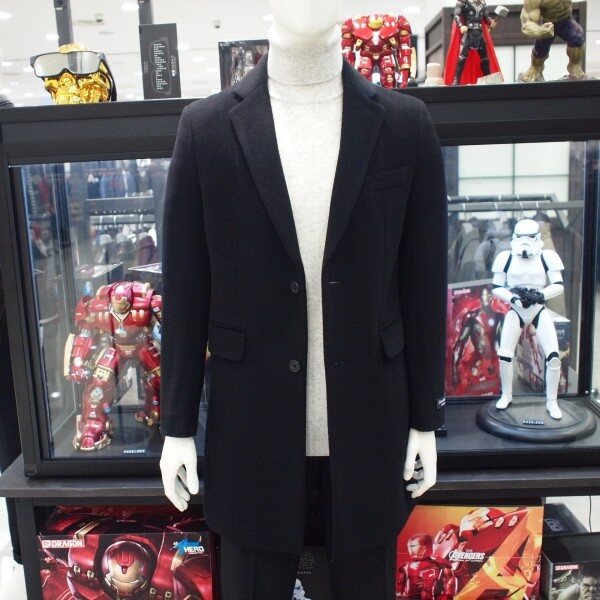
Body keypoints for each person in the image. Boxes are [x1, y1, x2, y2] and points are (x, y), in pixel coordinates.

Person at [159, 0, 447, 597]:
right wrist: (177, 427)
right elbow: (186, 292)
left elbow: (423, 285)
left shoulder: (404, 124)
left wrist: (426, 419)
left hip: (370, 429)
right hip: (252, 429)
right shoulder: (206, 128)